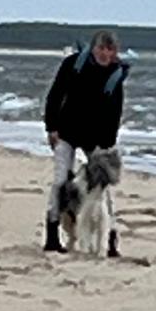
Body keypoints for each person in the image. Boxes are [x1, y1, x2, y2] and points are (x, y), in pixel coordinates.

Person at [42, 30, 130, 256]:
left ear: (115, 52)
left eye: (110, 49)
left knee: (103, 190)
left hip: (97, 139)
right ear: (93, 48)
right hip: (66, 131)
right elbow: (55, 95)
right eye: (101, 48)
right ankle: (52, 233)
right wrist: (51, 127)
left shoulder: (115, 74)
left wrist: (107, 144)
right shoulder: (73, 64)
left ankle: (110, 239)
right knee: (61, 181)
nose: (104, 53)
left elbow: (115, 112)